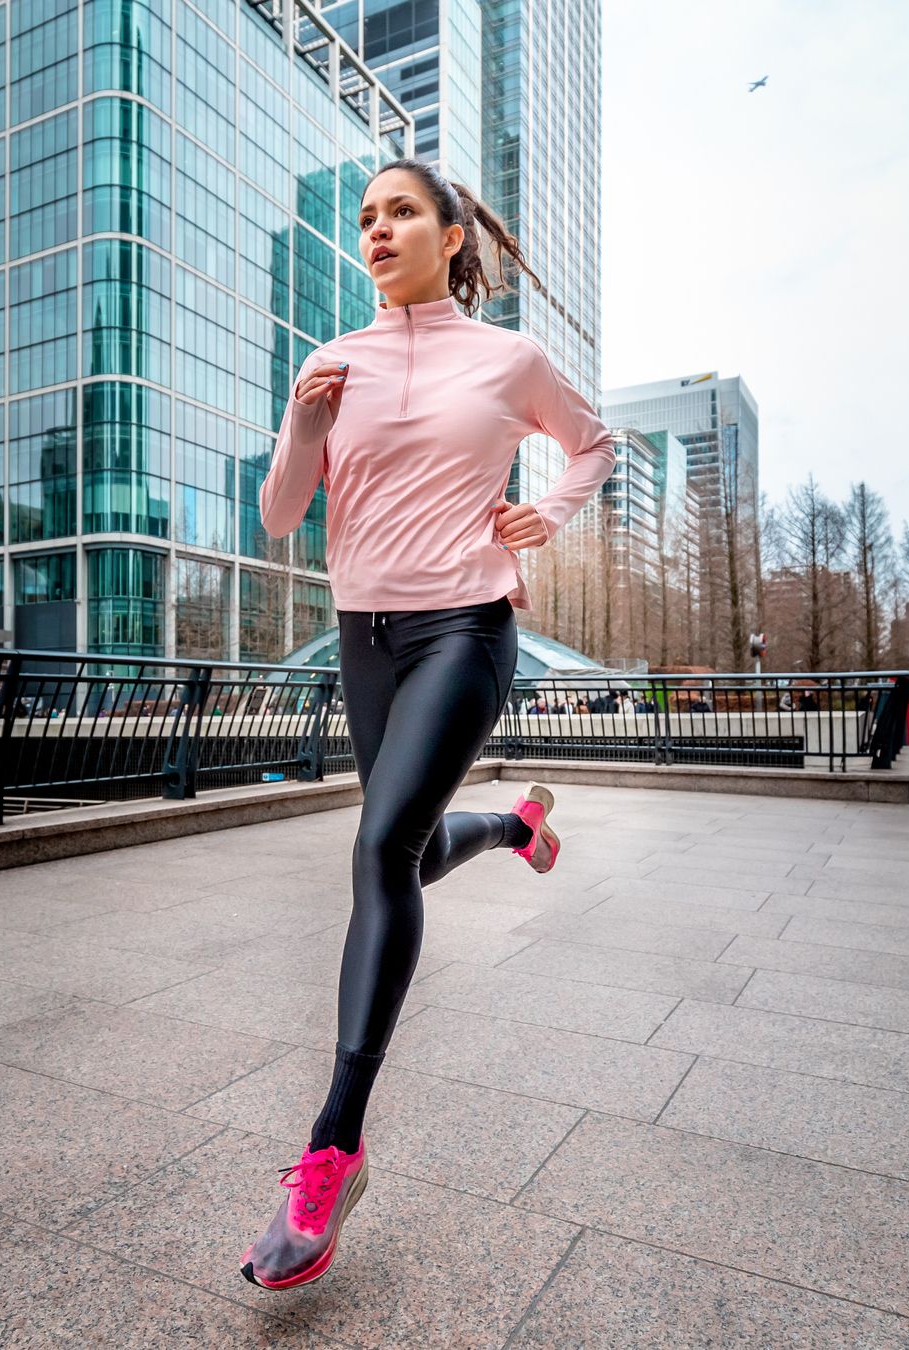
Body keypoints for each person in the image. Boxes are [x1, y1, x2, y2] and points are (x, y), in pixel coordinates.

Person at [242, 157, 615, 1291]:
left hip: (466, 621)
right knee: (400, 843)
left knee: (376, 848)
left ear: (453, 236)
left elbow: (594, 443)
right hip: (365, 632)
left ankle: (332, 1144)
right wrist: (304, 428)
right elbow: (280, 516)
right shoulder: (329, 362)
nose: (377, 230)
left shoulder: (509, 361)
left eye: (400, 211)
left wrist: (543, 512)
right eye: (365, 218)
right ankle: (510, 828)